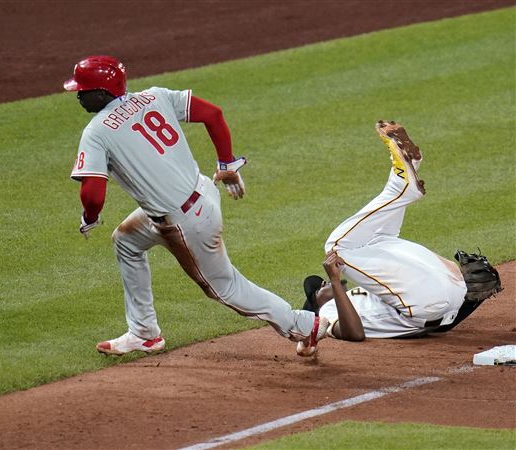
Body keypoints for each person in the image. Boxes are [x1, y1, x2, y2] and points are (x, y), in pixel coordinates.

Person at [63, 55, 325, 356]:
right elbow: (213, 114)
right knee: (126, 241)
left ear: (102, 92)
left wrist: (90, 216)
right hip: (201, 192)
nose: (79, 95)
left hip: (183, 223)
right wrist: (226, 163)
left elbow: (93, 194)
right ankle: (144, 333)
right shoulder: (155, 95)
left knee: (225, 288)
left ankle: (304, 324)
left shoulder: (96, 132)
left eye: (83, 90)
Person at [297, 120, 502, 348]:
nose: (322, 281)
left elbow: (431, 326)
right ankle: (400, 188)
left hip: (446, 302)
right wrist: (334, 281)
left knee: (380, 239)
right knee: (336, 249)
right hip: (428, 306)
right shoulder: (327, 314)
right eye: (317, 289)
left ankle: (405, 172)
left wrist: (465, 300)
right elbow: (354, 334)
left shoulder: (362, 289)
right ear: (315, 306)